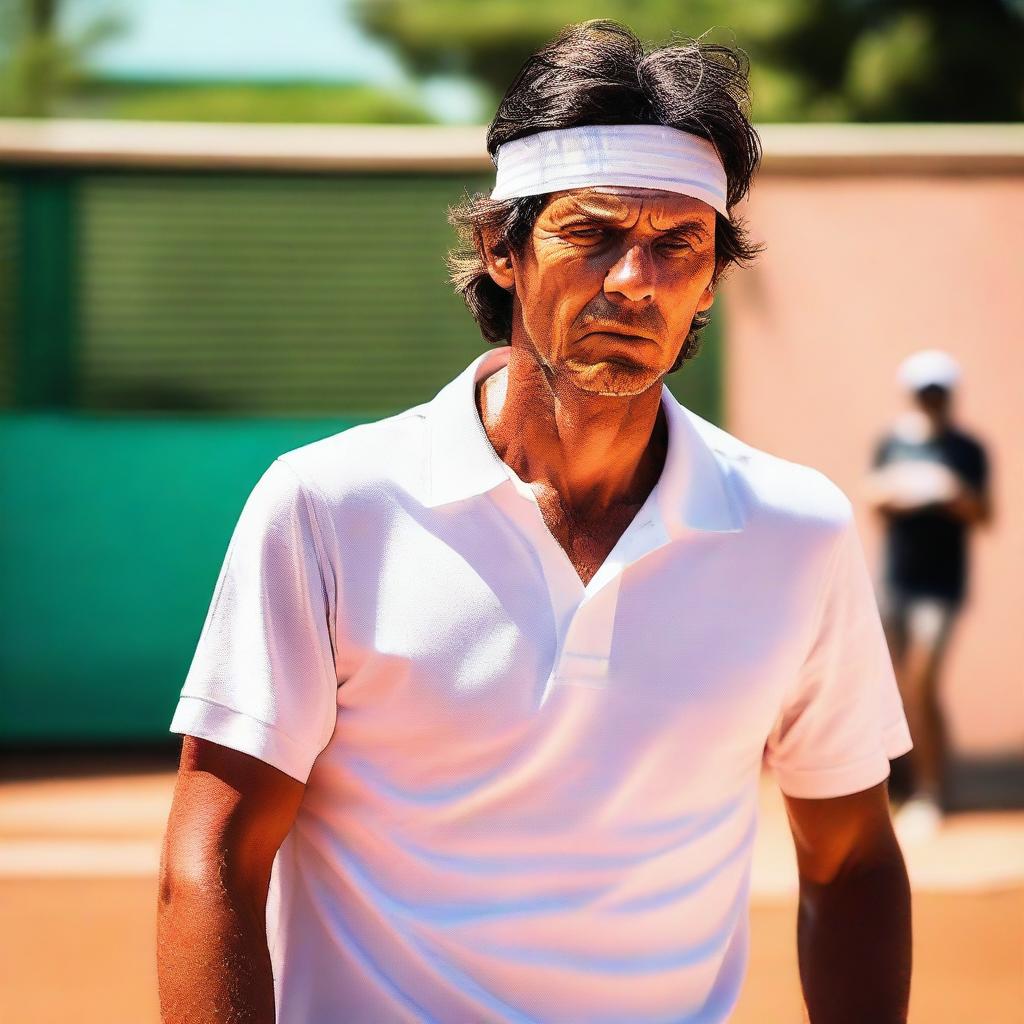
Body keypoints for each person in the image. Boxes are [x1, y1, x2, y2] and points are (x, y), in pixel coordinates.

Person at [158, 20, 914, 1024]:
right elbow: (213, 849)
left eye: (674, 243)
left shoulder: (797, 531)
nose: (632, 281)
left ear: (709, 284)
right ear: (499, 249)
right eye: (590, 232)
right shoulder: (327, 505)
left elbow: (851, 854)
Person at [865, 349, 992, 840]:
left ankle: (932, 792)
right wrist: (899, 489)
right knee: (895, 686)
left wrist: (949, 491)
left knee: (923, 680)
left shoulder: (967, 449)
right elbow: (873, 496)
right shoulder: (893, 443)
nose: (932, 401)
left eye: (939, 393)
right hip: (896, 578)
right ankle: (905, 786)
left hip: (942, 585)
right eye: (925, 393)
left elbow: (984, 513)